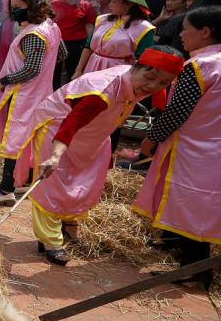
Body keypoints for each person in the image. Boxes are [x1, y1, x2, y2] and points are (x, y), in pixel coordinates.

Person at [17, 47, 184, 265]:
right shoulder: (103, 90)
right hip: (58, 130)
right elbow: (71, 124)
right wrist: (55, 156)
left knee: (81, 183)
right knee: (52, 185)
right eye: (150, 77)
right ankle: (50, 241)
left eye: (163, 83)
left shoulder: (137, 83)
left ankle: (68, 225)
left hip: (94, 135)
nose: (153, 87)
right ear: (136, 66)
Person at [135, 7, 221, 286]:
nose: (181, 34)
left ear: (205, 32)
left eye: (186, 28)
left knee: (189, 205)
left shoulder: (198, 66)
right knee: (203, 205)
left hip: (194, 148)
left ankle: (194, 273)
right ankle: (179, 249)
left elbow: (176, 112)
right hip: (213, 146)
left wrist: (153, 136)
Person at [0, 0, 64, 205]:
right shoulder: (51, 27)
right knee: (28, 139)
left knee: (15, 140)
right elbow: (60, 54)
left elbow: (32, 69)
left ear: (33, 6)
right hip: (40, 92)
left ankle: (5, 191)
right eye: (12, 7)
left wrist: (5, 80)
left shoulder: (33, 34)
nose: (14, 12)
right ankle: (23, 183)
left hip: (24, 95)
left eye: (19, 7)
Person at [73, 0, 156, 76]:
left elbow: (142, 60)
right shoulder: (102, 20)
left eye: (114, 2)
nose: (110, 5)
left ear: (129, 4)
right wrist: (78, 70)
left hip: (119, 73)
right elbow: (88, 46)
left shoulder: (144, 28)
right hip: (93, 66)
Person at [50, 0, 96, 83]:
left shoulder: (87, 6)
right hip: (57, 41)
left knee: (73, 69)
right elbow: (48, 23)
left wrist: (90, 44)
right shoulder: (54, 4)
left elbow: (89, 25)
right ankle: (53, 93)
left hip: (77, 43)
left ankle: (70, 95)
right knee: (54, 70)